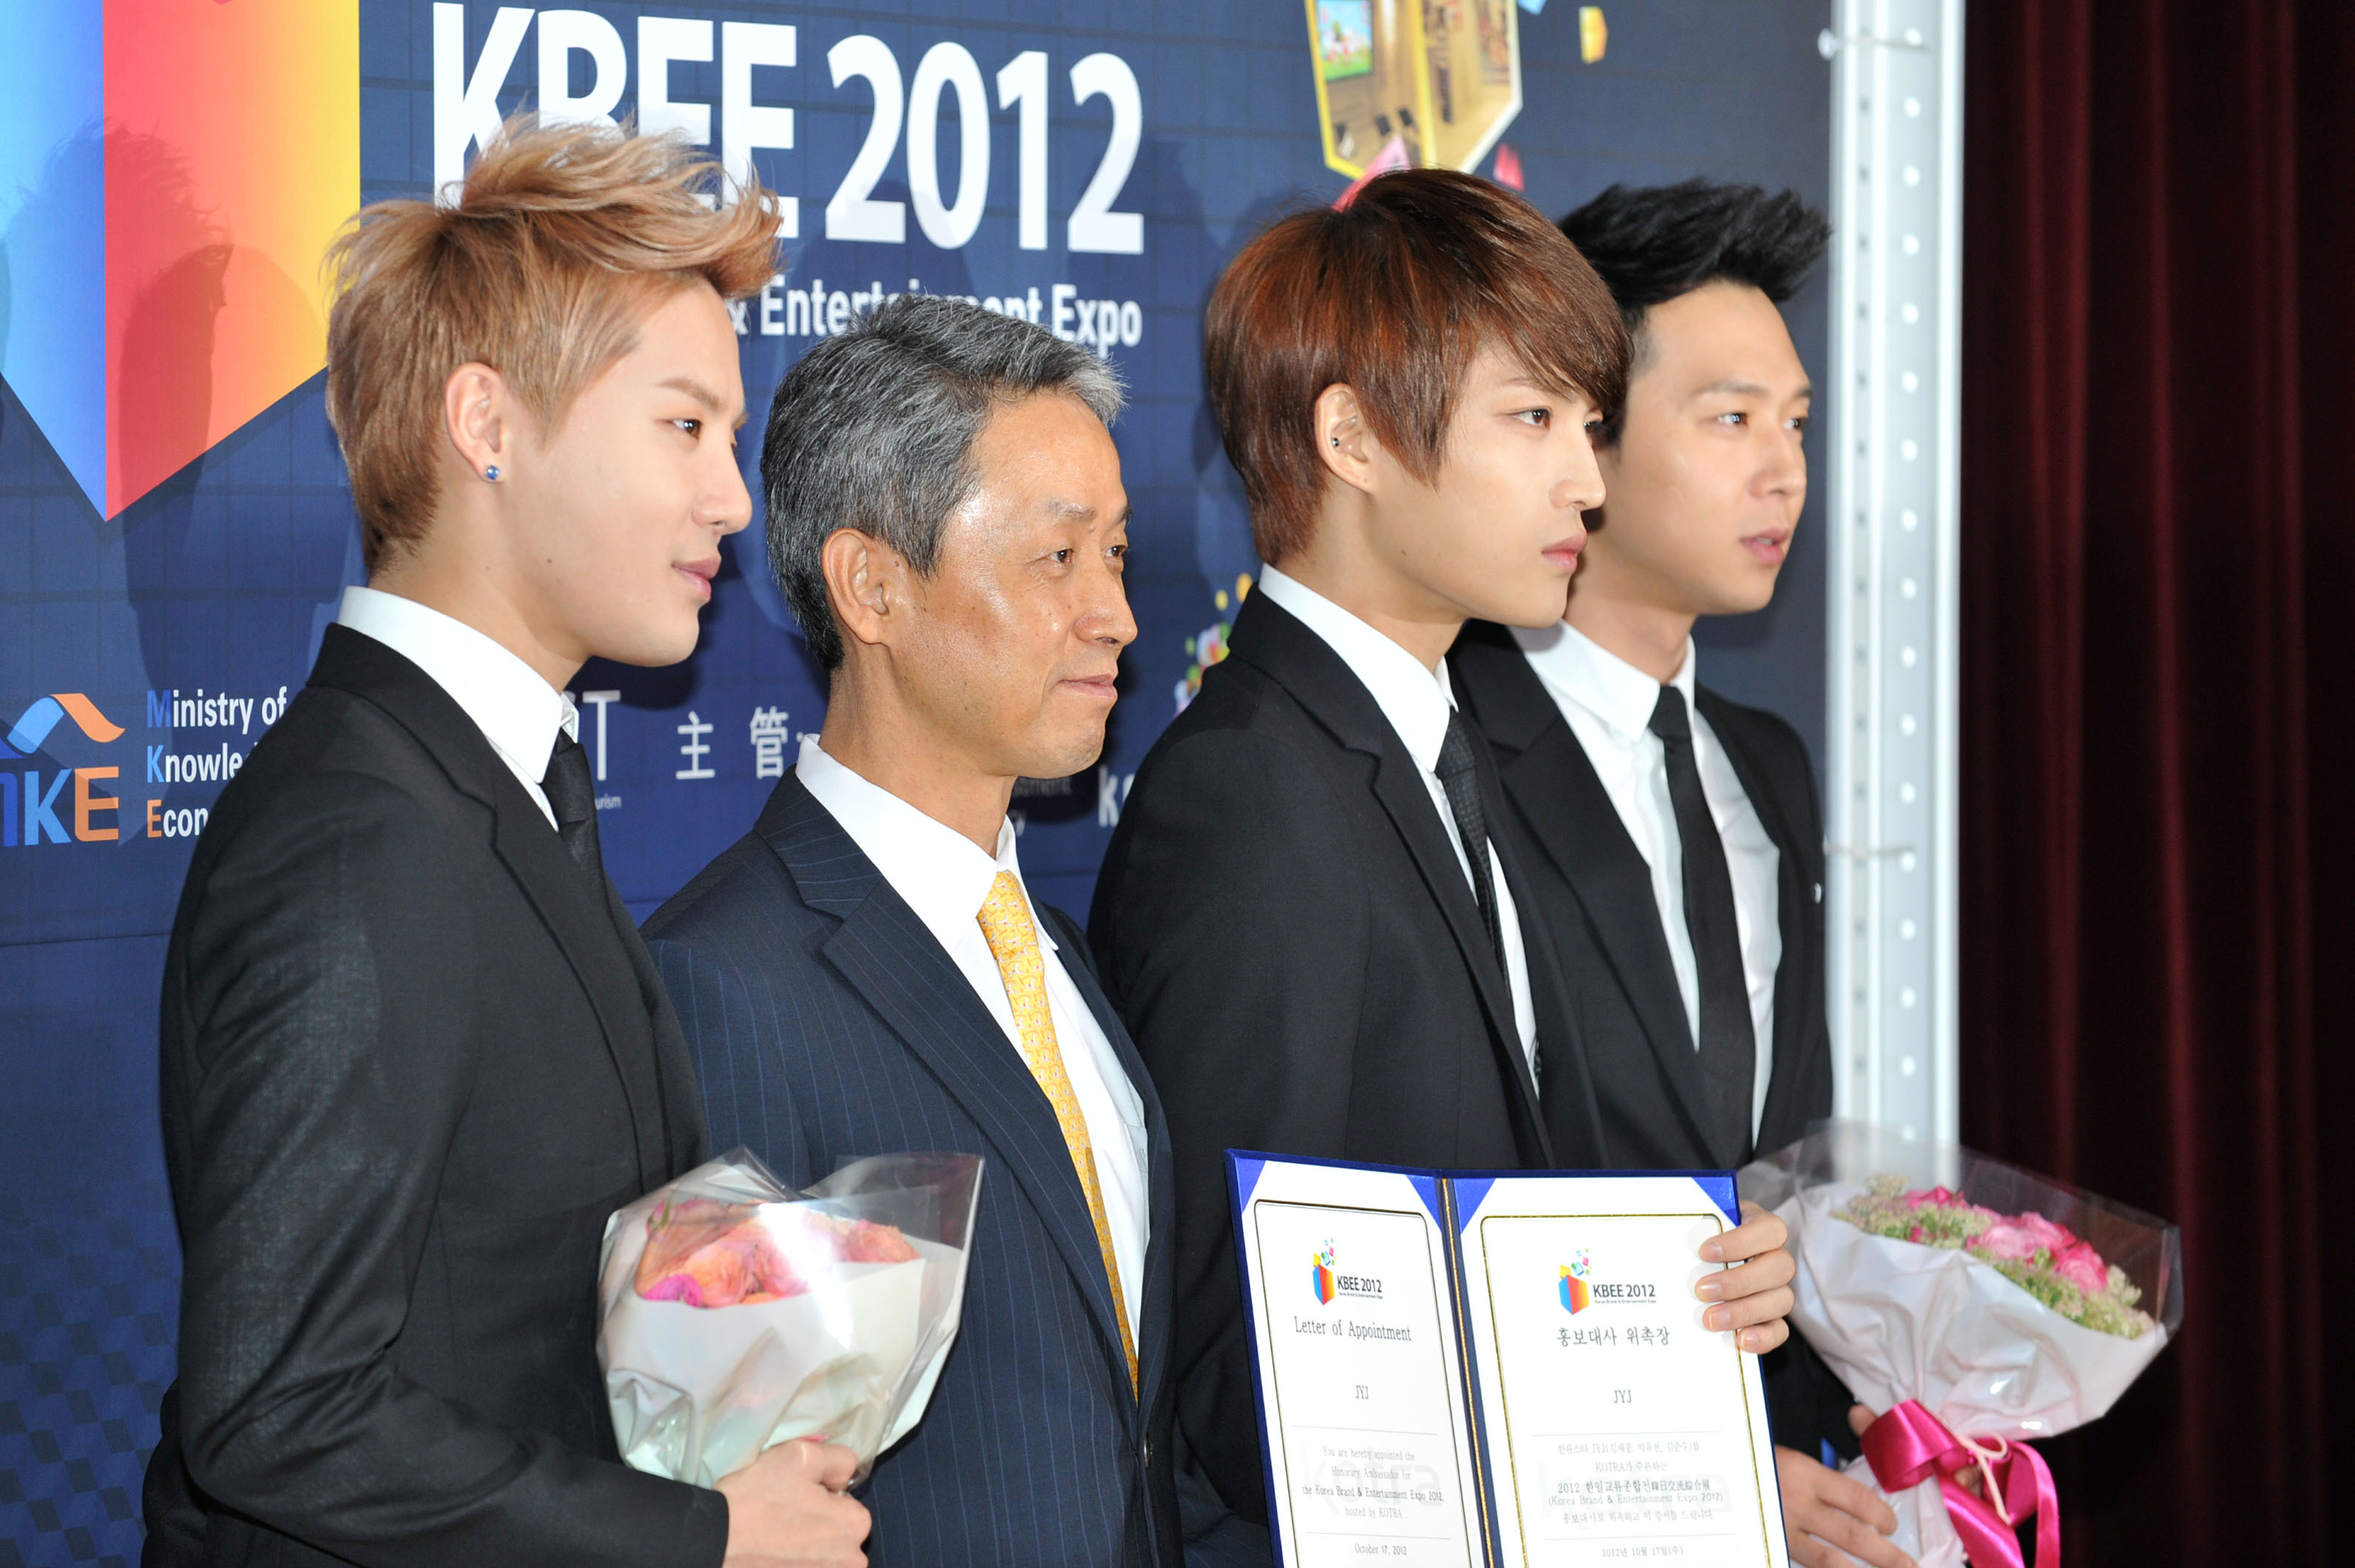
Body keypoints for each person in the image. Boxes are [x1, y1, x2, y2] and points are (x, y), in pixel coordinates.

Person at [140, 121, 869, 1568]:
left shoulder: (499, 782)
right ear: (486, 423)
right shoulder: (359, 836)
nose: (733, 499)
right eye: (684, 427)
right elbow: (280, 1409)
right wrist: (701, 1537)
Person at [1087, 169, 1800, 1528]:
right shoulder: (1248, 794)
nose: (1585, 482)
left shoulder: (1442, 752)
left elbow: (1517, 1207)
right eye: (1532, 418)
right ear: (1352, 438)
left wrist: (1685, 1297)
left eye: (1587, 424)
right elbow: (1241, 1362)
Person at [645, 295, 1223, 1568]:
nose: (1116, 615)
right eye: (1057, 558)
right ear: (872, 586)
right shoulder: (726, 984)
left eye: (1117, 554)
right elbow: (729, 1477)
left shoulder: (1057, 955)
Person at [1447, 178, 1904, 1568]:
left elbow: (1772, 1162)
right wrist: (1702, 1474)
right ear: (1586, 434)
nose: (1785, 471)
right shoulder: (1444, 754)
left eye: (1796, 423)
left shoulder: (1768, 765)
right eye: (1731, 419)